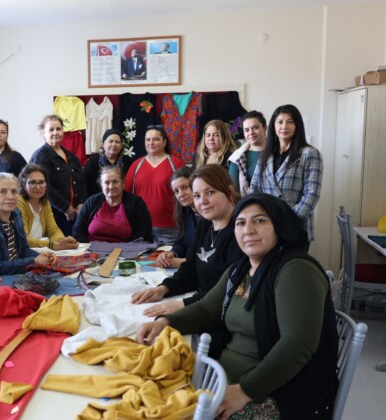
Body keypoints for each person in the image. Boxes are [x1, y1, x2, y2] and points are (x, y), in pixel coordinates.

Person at [136, 193, 338, 419]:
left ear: (278, 227)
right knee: (145, 391)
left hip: (281, 392)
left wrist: (244, 391)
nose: (248, 229)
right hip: (228, 378)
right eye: (240, 223)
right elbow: (207, 310)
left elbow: (296, 345)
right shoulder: (240, 269)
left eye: (260, 221)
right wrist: (166, 322)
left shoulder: (296, 270)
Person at [131, 165, 243, 316]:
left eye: (210, 192)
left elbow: (229, 291)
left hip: (224, 314)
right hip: (203, 304)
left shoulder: (242, 232)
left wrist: (183, 304)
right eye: (197, 195)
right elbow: (190, 269)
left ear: (229, 192)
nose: (202, 201)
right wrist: (163, 289)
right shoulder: (205, 224)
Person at [250, 104, 323, 244]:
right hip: (266, 226)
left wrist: (288, 221)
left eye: (290, 122)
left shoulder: (310, 154)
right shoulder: (266, 153)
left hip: (295, 226)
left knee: (291, 265)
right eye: (280, 122)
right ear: (273, 126)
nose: (284, 126)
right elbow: (254, 188)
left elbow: (312, 194)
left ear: (297, 126)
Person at [0, 173, 55, 275]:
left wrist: (42, 256)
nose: (10, 197)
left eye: (14, 191)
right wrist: (34, 261)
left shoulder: (16, 214)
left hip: (13, 272)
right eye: (3, 192)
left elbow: (23, 250)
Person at [124, 126, 185, 244]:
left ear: (164, 142)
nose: (151, 143)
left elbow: (188, 195)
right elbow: (125, 196)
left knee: (167, 262)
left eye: (156, 139)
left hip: (170, 229)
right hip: (140, 229)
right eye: (148, 139)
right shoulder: (136, 166)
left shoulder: (176, 163)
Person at [28, 114, 86, 236]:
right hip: (53, 216)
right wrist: (66, 208)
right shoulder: (40, 157)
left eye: (58, 129)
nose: (55, 132)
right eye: (51, 129)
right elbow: (43, 186)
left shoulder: (71, 157)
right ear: (43, 132)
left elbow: (81, 182)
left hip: (75, 215)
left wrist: (81, 204)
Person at [73, 165, 153, 243]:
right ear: (101, 185)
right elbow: (78, 232)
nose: (111, 186)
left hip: (126, 251)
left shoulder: (136, 203)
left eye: (115, 182)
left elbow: (143, 234)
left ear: (123, 184)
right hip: (92, 251)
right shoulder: (91, 202)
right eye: (106, 182)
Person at [16, 164, 79, 250]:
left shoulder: (45, 203)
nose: (38, 187)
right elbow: (24, 239)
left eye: (41, 182)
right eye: (33, 182)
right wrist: (52, 245)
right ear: (23, 184)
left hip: (40, 252)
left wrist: (62, 241)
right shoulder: (19, 202)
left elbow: (53, 230)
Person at [155, 166, 197, 269]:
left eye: (185, 187)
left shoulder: (210, 215)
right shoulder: (184, 212)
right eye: (176, 191)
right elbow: (180, 243)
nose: (181, 194)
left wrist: (182, 262)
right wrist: (171, 254)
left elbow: (213, 258)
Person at [81, 129, 132, 197]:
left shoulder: (128, 162)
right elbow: (84, 185)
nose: (114, 144)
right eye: (110, 141)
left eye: (117, 142)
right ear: (103, 144)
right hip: (97, 202)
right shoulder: (93, 161)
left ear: (121, 146)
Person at [228, 111, 267, 197]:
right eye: (246, 130)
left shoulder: (279, 151)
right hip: (248, 206)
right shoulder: (237, 158)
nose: (251, 133)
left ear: (265, 128)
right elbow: (233, 192)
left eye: (255, 128)